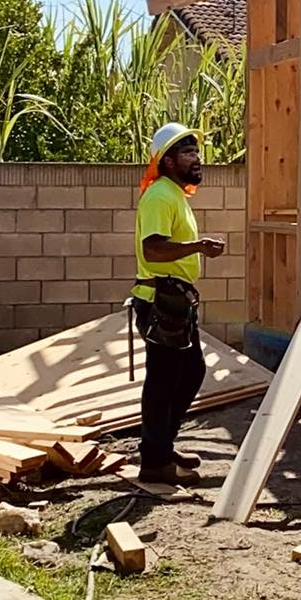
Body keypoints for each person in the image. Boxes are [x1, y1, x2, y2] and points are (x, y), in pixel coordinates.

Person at [130, 123, 224, 489]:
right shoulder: (159, 197)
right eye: (187, 153)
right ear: (167, 161)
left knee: (189, 373)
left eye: (196, 151)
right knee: (163, 382)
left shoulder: (174, 195)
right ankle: (154, 461)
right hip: (160, 302)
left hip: (175, 301)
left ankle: (162, 448)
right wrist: (198, 246)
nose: (196, 158)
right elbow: (153, 249)